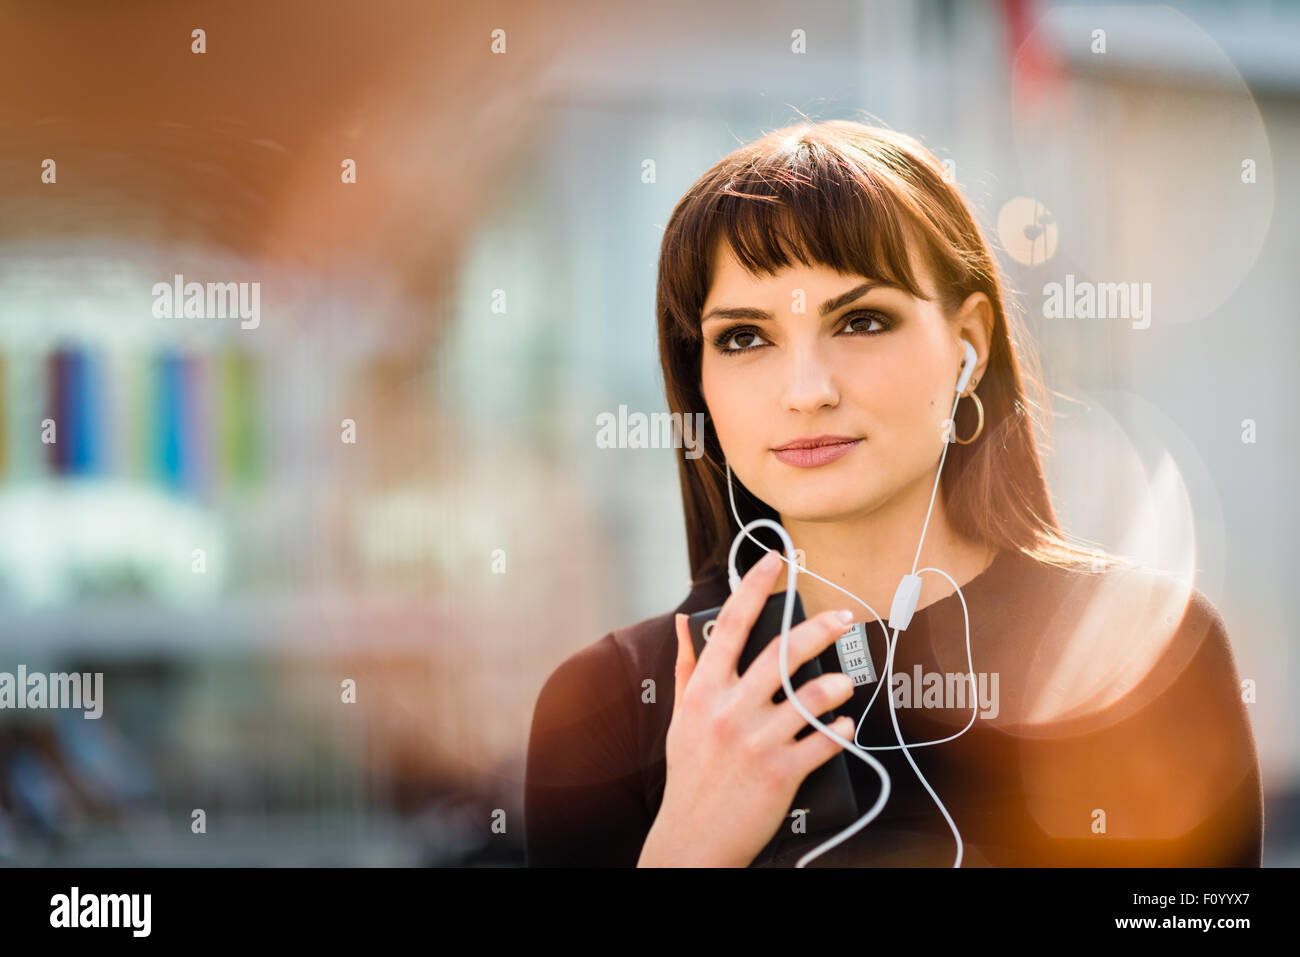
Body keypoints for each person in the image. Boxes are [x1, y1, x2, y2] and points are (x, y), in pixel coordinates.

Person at [524, 119, 1263, 867]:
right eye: (745, 336)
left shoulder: (1143, 652)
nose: (807, 391)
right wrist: (686, 848)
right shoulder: (608, 705)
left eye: (862, 320)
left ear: (968, 345)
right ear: (699, 378)